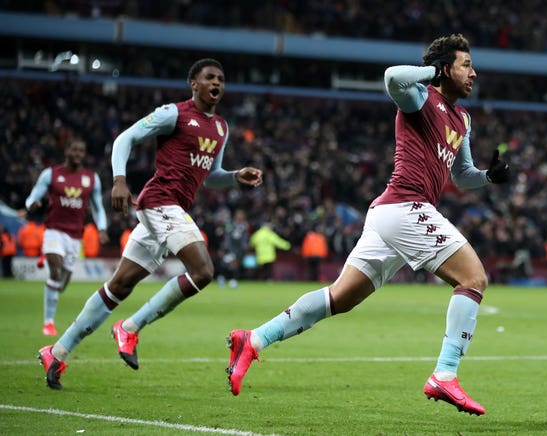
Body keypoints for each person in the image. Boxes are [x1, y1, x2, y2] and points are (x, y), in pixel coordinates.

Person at [226, 34, 510, 416]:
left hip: (390, 215)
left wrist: (489, 176)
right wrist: (432, 71)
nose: (474, 73)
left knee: (339, 298)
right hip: (406, 206)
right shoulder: (421, 97)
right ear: (445, 70)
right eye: (465, 65)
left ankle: (254, 339)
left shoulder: (463, 118)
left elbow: (462, 176)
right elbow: (394, 76)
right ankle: (445, 373)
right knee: (473, 279)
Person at [38, 58, 263, 390]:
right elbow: (124, 140)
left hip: (170, 210)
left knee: (120, 286)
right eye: (209, 77)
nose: (217, 83)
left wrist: (234, 177)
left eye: (221, 79)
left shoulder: (221, 129)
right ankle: (130, 327)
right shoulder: (174, 113)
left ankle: (56, 351)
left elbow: (210, 176)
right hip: (160, 201)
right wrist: (118, 180)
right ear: (194, 84)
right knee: (203, 271)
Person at [25, 139, 109, 336]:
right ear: (67, 151)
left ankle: (49, 258)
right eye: (75, 149)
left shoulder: (91, 179)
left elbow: (98, 207)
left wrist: (102, 228)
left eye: (82, 150)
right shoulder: (51, 174)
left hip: (75, 236)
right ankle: (48, 323)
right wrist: (32, 204)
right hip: (54, 230)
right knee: (55, 271)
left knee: (61, 284)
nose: (78, 153)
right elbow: (33, 196)